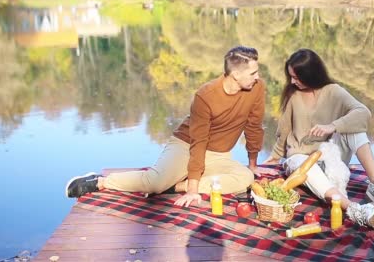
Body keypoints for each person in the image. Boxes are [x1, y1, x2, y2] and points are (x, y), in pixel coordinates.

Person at [66, 45, 275, 208]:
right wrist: (193, 191)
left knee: (245, 178)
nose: (257, 77)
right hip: (187, 145)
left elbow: (254, 126)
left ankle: (176, 186)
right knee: (154, 183)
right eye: (253, 73)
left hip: (219, 155)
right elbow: (198, 142)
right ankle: (100, 182)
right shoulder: (206, 95)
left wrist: (253, 164)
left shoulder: (257, 88)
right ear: (235, 75)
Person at [264, 48, 374, 228]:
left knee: (355, 129)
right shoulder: (293, 95)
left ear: (311, 74)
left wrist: (333, 126)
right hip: (300, 157)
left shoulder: (334, 91)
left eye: (297, 77)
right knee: (304, 166)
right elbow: (284, 129)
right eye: (291, 77)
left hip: (330, 155)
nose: (293, 82)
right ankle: (354, 210)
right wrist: (276, 156)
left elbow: (363, 112)